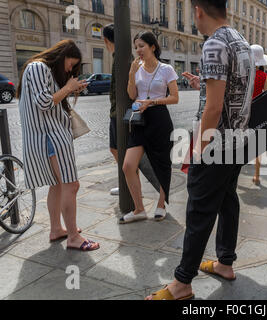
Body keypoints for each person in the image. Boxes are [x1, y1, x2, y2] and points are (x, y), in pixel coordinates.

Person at [146, 0, 255, 300]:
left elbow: (215, 106)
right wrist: (203, 84)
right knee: (228, 200)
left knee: (198, 208)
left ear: (198, 10)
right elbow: (232, 89)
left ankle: (182, 283)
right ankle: (225, 262)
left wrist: (198, 149)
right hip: (238, 141)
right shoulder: (240, 41)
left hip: (216, 144)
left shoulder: (214, 44)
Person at [17, 40, 100, 251]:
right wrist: (68, 87)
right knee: (71, 185)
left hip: (50, 135)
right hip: (51, 137)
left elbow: (47, 100)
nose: (70, 69)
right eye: (71, 65)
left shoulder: (42, 70)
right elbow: (44, 103)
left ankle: (56, 229)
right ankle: (73, 237)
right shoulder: (39, 67)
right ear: (63, 55)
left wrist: (72, 89)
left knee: (57, 184)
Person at [120, 31, 179, 224]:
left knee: (162, 163)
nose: (138, 50)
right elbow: (131, 94)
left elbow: (174, 98)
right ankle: (139, 209)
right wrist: (130, 74)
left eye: (141, 46)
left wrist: (151, 102)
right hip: (139, 119)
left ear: (153, 46)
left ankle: (161, 204)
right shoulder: (136, 68)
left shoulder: (166, 69)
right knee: (128, 165)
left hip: (159, 118)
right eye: (136, 46)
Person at [102, 24, 120, 196]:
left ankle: (127, 183)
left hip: (118, 112)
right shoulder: (119, 56)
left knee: (117, 149)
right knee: (115, 149)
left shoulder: (119, 57)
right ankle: (126, 181)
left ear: (106, 40)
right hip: (116, 111)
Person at [250, 44, 267, 186]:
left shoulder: (242, 73)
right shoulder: (263, 76)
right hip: (257, 111)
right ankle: (256, 176)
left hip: (241, 112)